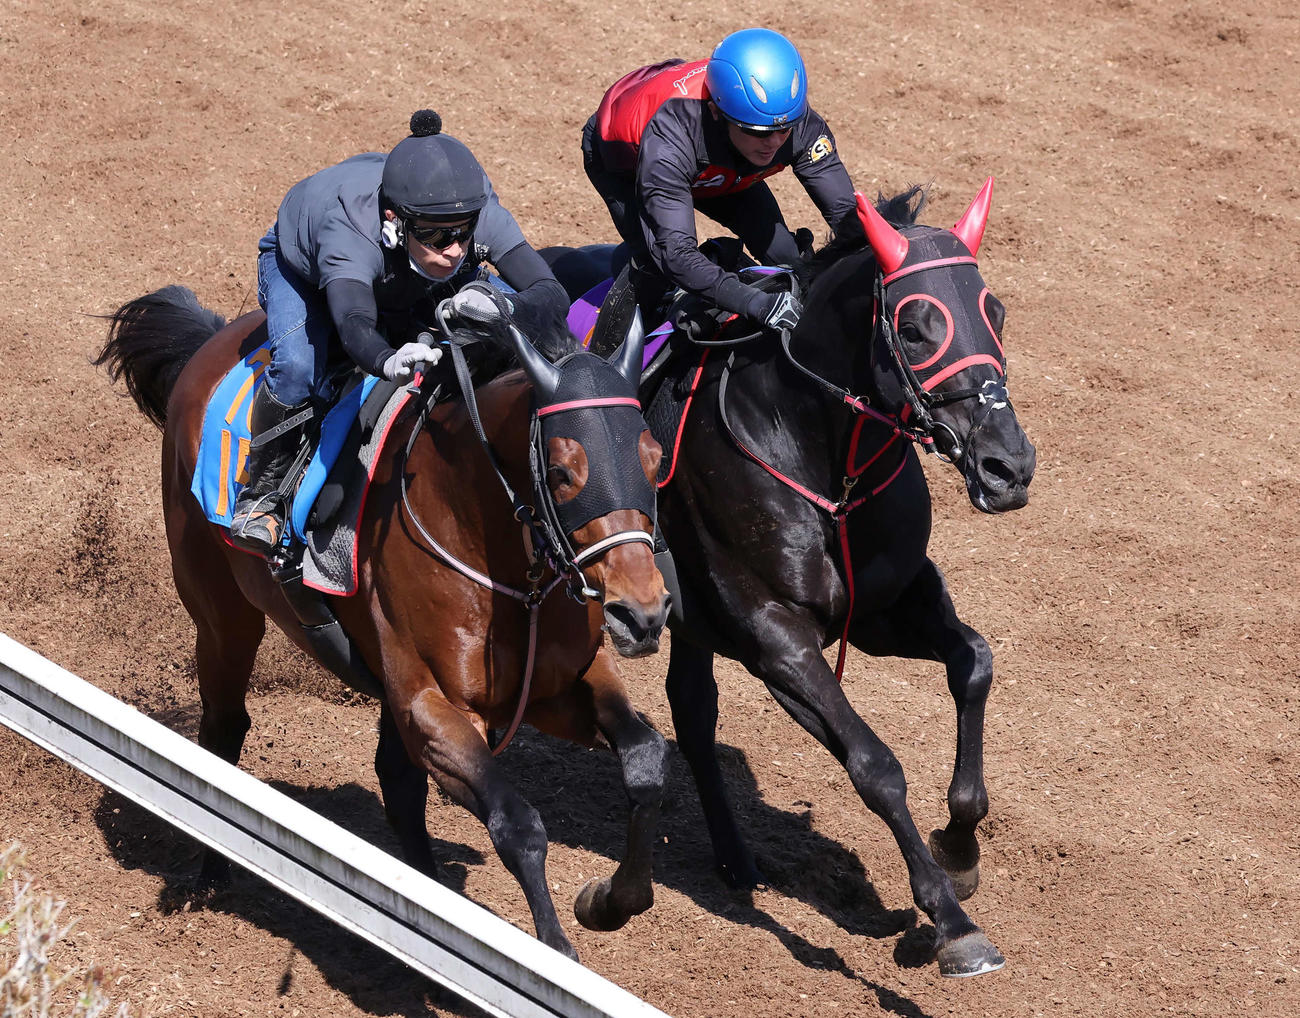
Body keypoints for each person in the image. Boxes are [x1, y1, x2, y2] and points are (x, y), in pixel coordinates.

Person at [231, 109, 570, 553]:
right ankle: (261, 500)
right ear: (394, 220)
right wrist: (386, 359)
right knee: (297, 367)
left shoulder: (471, 208)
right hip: (303, 271)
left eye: (464, 233)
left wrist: (502, 304)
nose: (455, 250)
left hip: (402, 267)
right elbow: (354, 322)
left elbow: (550, 292)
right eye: (436, 237)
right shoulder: (349, 231)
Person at [581, 27, 865, 335]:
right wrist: (755, 303)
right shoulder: (672, 137)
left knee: (788, 257)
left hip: (724, 160)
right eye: (758, 131)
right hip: (628, 162)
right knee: (655, 264)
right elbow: (676, 255)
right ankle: (603, 360)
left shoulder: (794, 123)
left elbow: (849, 217)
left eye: (784, 130)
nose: (773, 143)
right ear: (716, 112)